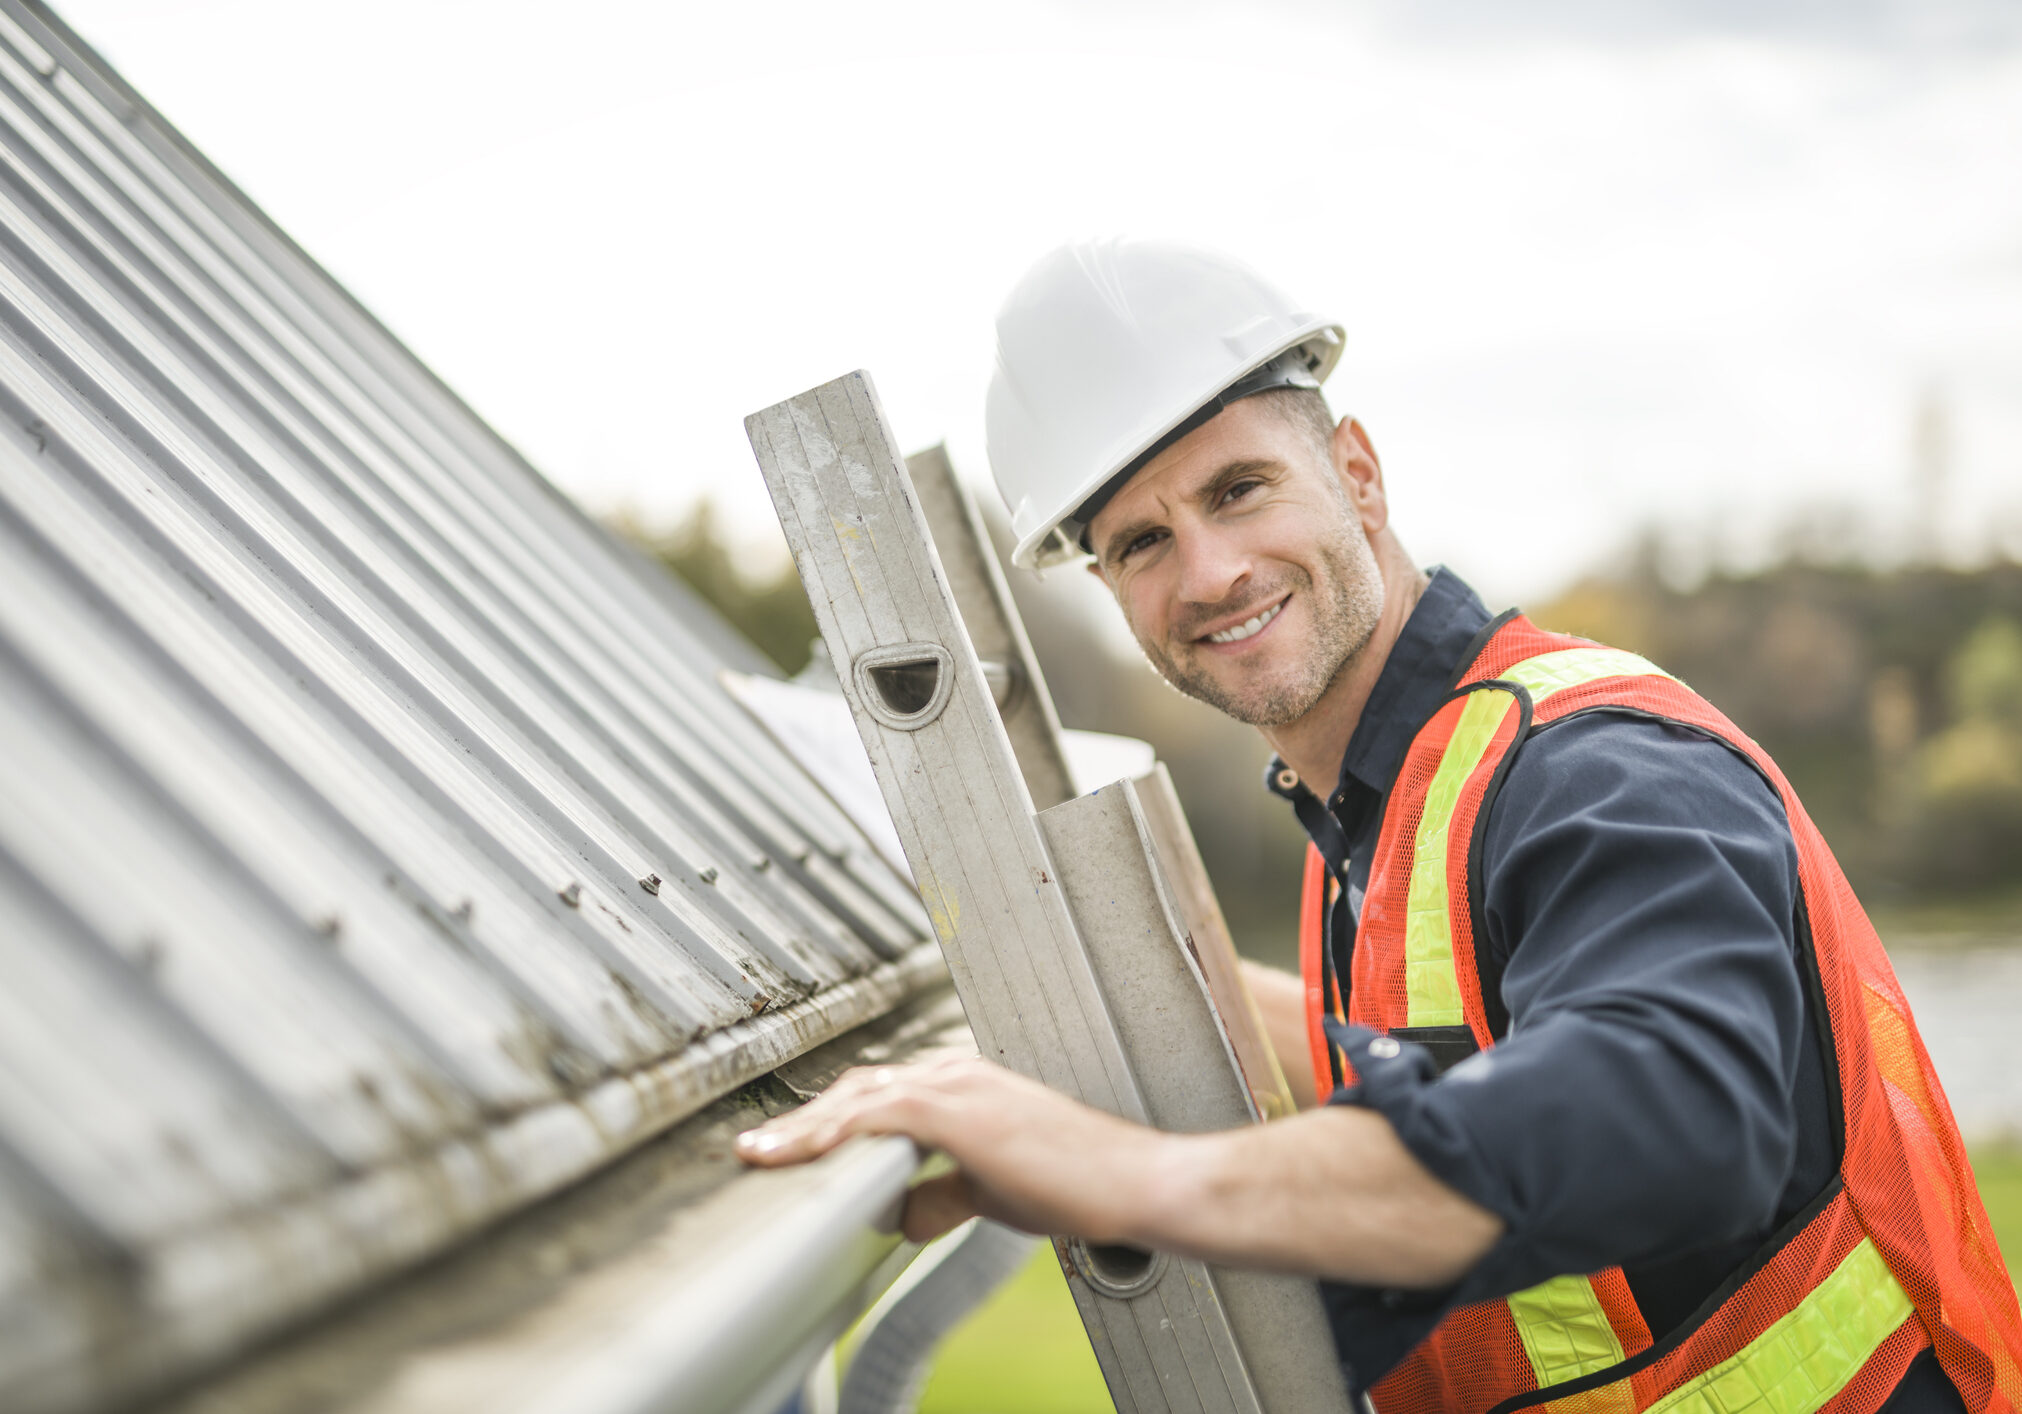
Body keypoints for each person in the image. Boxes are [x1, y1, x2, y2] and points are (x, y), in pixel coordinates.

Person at [738, 239, 2022, 1413]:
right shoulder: (1381, 811)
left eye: (1240, 489)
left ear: (1358, 473)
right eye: (1140, 542)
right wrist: (1084, 1010)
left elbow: (1682, 1107)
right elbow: (1455, 1058)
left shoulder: (1590, 767)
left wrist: (1120, 1175)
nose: (1209, 573)